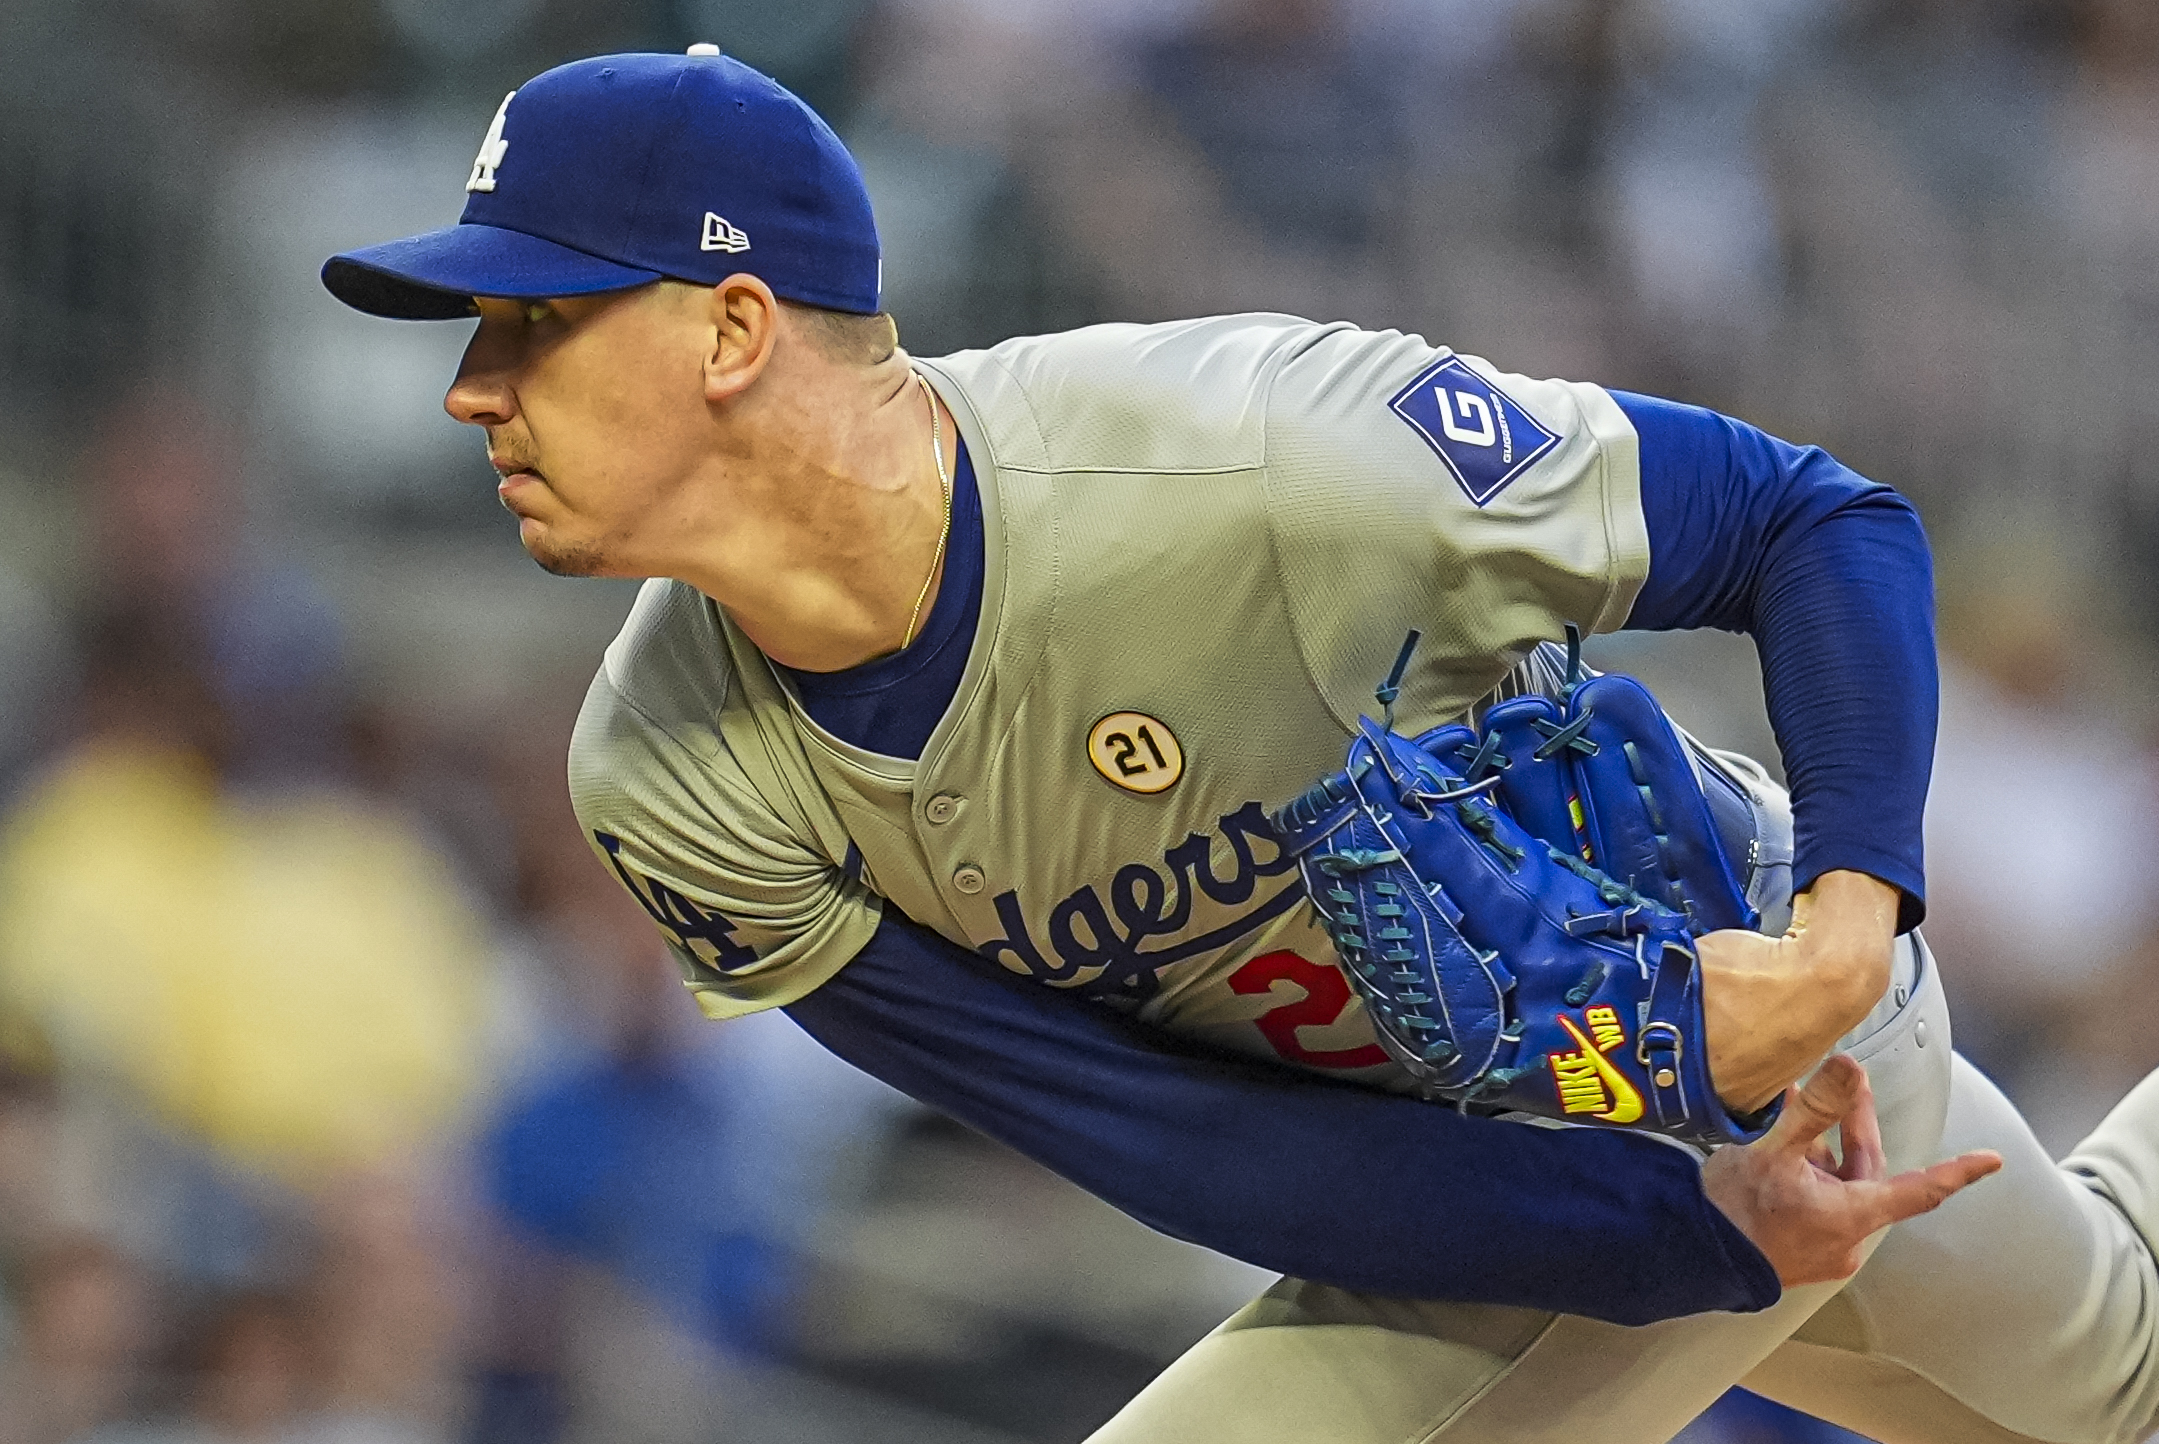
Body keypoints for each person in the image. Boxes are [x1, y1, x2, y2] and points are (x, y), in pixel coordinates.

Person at [319, 50, 2159, 1444]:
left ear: (733, 328)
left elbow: (1808, 521)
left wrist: (1847, 926)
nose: (475, 384)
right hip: (1493, 1178)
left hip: (1735, 1037)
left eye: (532, 318)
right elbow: (1150, 1129)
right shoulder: (668, 779)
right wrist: (1668, 1234)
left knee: (2107, 1371)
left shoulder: (1251, 462)